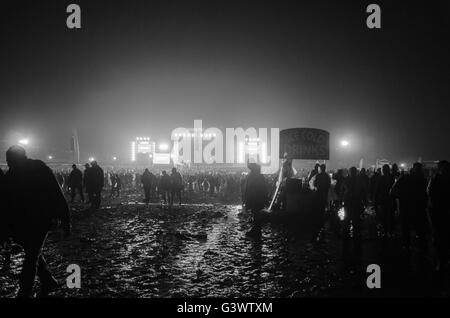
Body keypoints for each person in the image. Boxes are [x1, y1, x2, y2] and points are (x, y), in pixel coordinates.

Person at [3, 145, 71, 297]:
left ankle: (25, 290)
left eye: (9, 159)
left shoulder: (13, 174)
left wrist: (65, 219)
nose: (7, 163)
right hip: (35, 220)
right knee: (33, 253)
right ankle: (48, 280)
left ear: (15, 158)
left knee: (32, 255)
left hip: (35, 220)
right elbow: (57, 192)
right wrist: (65, 219)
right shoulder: (37, 168)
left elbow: (55, 192)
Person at [391, 162, 428, 252]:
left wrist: (400, 199)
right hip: (416, 209)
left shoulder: (406, 178)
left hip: (409, 209)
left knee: (407, 230)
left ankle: (407, 248)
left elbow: (393, 191)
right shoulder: (422, 180)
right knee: (418, 231)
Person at [428, 160, 450, 280]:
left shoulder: (435, 180)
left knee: (440, 238)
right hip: (440, 213)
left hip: (439, 213)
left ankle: (441, 262)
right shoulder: (436, 180)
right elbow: (431, 196)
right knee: (440, 238)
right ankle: (441, 261)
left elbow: (430, 195)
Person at [342, 167, 367, 255]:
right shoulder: (359, 180)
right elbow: (364, 191)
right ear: (356, 172)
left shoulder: (347, 180)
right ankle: (356, 241)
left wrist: (342, 200)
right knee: (356, 222)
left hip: (348, 202)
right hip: (356, 203)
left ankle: (346, 240)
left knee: (347, 221)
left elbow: (342, 190)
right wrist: (365, 202)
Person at [245, 163, 268, 237]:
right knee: (255, 214)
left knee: (256, 214)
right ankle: (256, 229)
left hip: (256, 199)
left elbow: (260, 189)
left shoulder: (256, 176)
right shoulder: (257, 175)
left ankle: (256, 230)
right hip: (255, 198)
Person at [375, 164, 396, 237]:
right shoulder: (392, 177)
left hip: (384, 199)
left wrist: (376, 200)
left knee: (385, 215)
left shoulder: (381, 178)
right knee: (390, 215)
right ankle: (390, 231)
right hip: (389, 199)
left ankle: (386, 230)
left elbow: (377, 190)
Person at [313, 164, 331, 234]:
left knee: (318, 207)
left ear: (321, 168)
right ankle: (322, 221)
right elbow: (329, 185)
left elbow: (314, 184)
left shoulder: (318, 175)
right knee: (323, 207)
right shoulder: (327, 176)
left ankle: (318, 222)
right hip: (324, 195)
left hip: (318, 194)